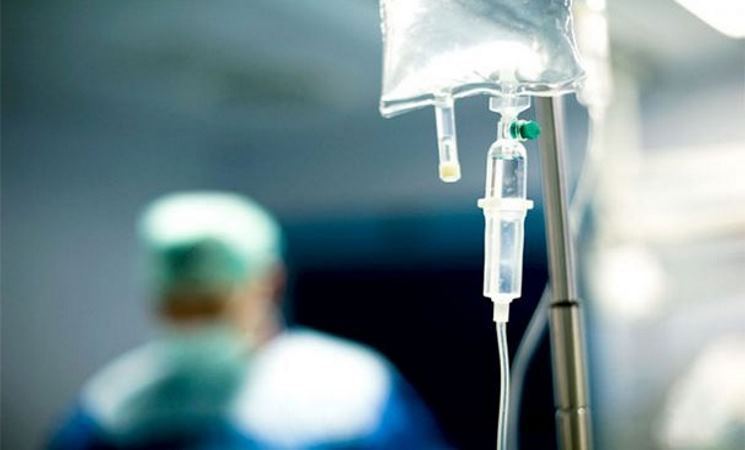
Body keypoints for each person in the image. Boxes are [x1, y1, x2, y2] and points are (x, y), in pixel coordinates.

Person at [49, 192, 447, 449]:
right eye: (177, 305)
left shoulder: (350, 391)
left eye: (211, 304)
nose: (193, 322)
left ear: (270, 284)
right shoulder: (117, 403)